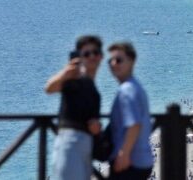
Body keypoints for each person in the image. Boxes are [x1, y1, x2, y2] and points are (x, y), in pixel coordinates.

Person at [45, 35, 103, 180]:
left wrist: (96, 127)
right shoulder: (74, 79)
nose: (91, 57)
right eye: (86, 54)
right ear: (80, 57)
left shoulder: (93, 87)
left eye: (95, 52)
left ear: (101, 56)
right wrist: (65, 72)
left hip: (85, 144)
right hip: (70, 142)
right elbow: (49, 88)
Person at [107, 42, 153, 179]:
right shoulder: (136, 86)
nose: (114, 64)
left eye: (119, 60)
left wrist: (124, 153)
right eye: (111, 61)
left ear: (132, 61)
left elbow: (134, 124)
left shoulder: (126, 90)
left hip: (130, 162)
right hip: (142, 159)